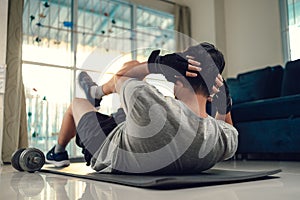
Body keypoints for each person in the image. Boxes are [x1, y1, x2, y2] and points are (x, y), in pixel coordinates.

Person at [45, 42, 238, 174]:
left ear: (177, 76)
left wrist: (159, 63)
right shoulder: (220, 139)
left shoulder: (151, 102)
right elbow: (227, 127)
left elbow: (120, 78)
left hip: (109, 144)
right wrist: (224, 105)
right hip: (138, 135)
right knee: (134, 78)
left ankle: (58, 152)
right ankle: (95, 94)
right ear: (213, 91)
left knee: (77, 104)